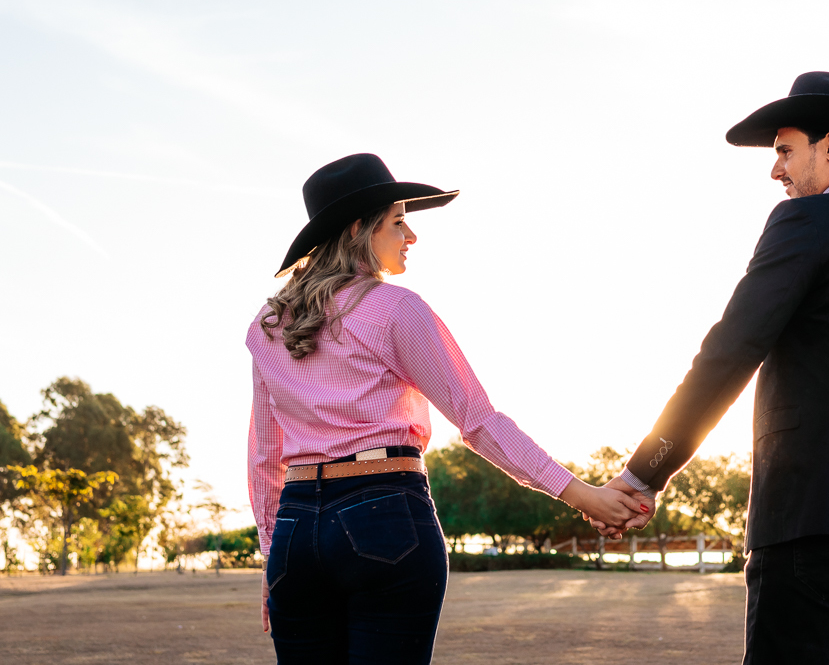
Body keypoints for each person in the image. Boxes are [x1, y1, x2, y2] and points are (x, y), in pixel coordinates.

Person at [596, 72, 829, 664]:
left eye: (784, 151)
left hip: (814, 516)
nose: (776, 171)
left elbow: (731, 352)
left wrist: (646, 472)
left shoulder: (807, 220)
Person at [247, 153, 648, 664]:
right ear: (357, 230)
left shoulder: (267, 325)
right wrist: (584, 496)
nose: (410, 236)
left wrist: (272, 555)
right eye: (397, 222)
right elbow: (478, 422)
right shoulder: (394, 308)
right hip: (384, 512)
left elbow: (265, 454)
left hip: (295, 533)